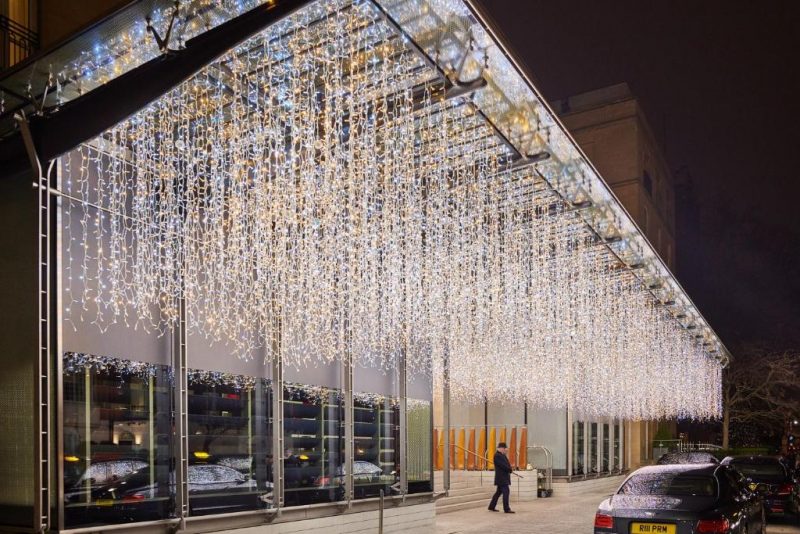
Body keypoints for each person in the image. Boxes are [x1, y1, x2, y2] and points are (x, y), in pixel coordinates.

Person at [488, 442, 514, 513]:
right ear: (501, 448)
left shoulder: (502, 455)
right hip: (501, 478)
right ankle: (506, 509)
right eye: (505, 449)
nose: (506, 451)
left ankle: (491, 507)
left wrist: (510, 469)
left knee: (498, 493)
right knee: (506, 492)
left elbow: (507, 464)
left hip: (503, 477)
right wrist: (509, 469)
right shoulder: (497, 455)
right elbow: (503, 465)